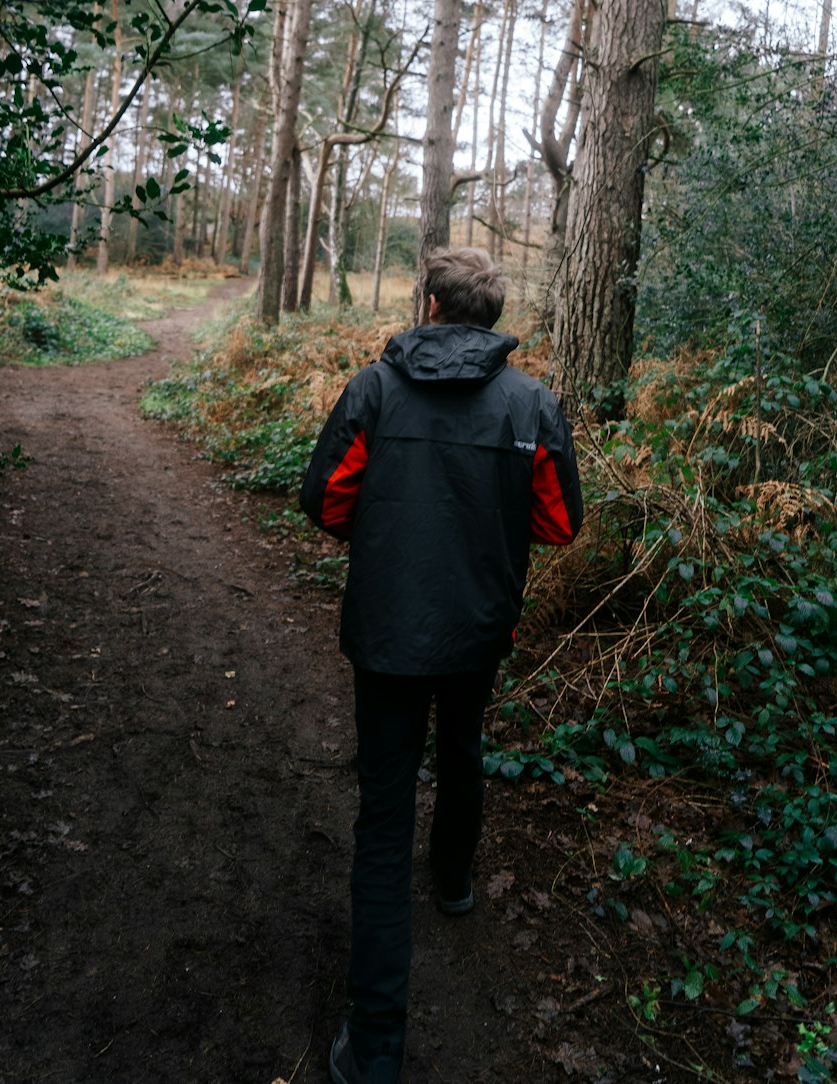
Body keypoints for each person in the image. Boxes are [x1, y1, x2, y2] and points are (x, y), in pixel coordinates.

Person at [300, 246, 583, 1084]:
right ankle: (454, 879)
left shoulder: (374, 390)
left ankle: (376, 1046)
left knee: (384, 815)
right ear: (489, 318)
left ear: (429, 307)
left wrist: (390, 533)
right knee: (461, 746)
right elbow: (561, 525)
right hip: (477, 627)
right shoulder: (531, 404)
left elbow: (326, 502)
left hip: (388, 629)